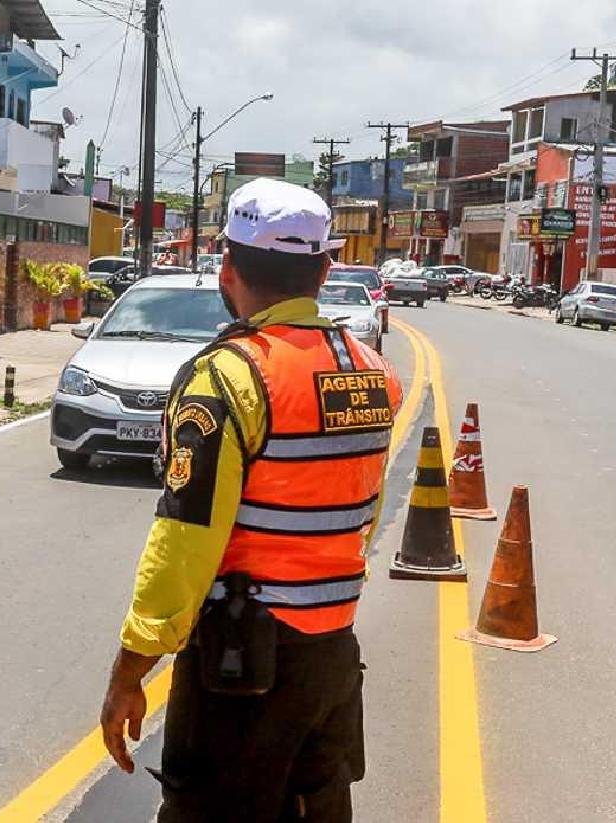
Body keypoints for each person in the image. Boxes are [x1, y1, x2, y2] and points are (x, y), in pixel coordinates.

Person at [99, 178, 404, 822]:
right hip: (330, 660)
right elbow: (359, 518)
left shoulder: (228, 377)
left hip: (239, 669)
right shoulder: (373, 375)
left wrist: (132, 668)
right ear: (325, 270)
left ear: (225, 268)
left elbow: (185, 537)